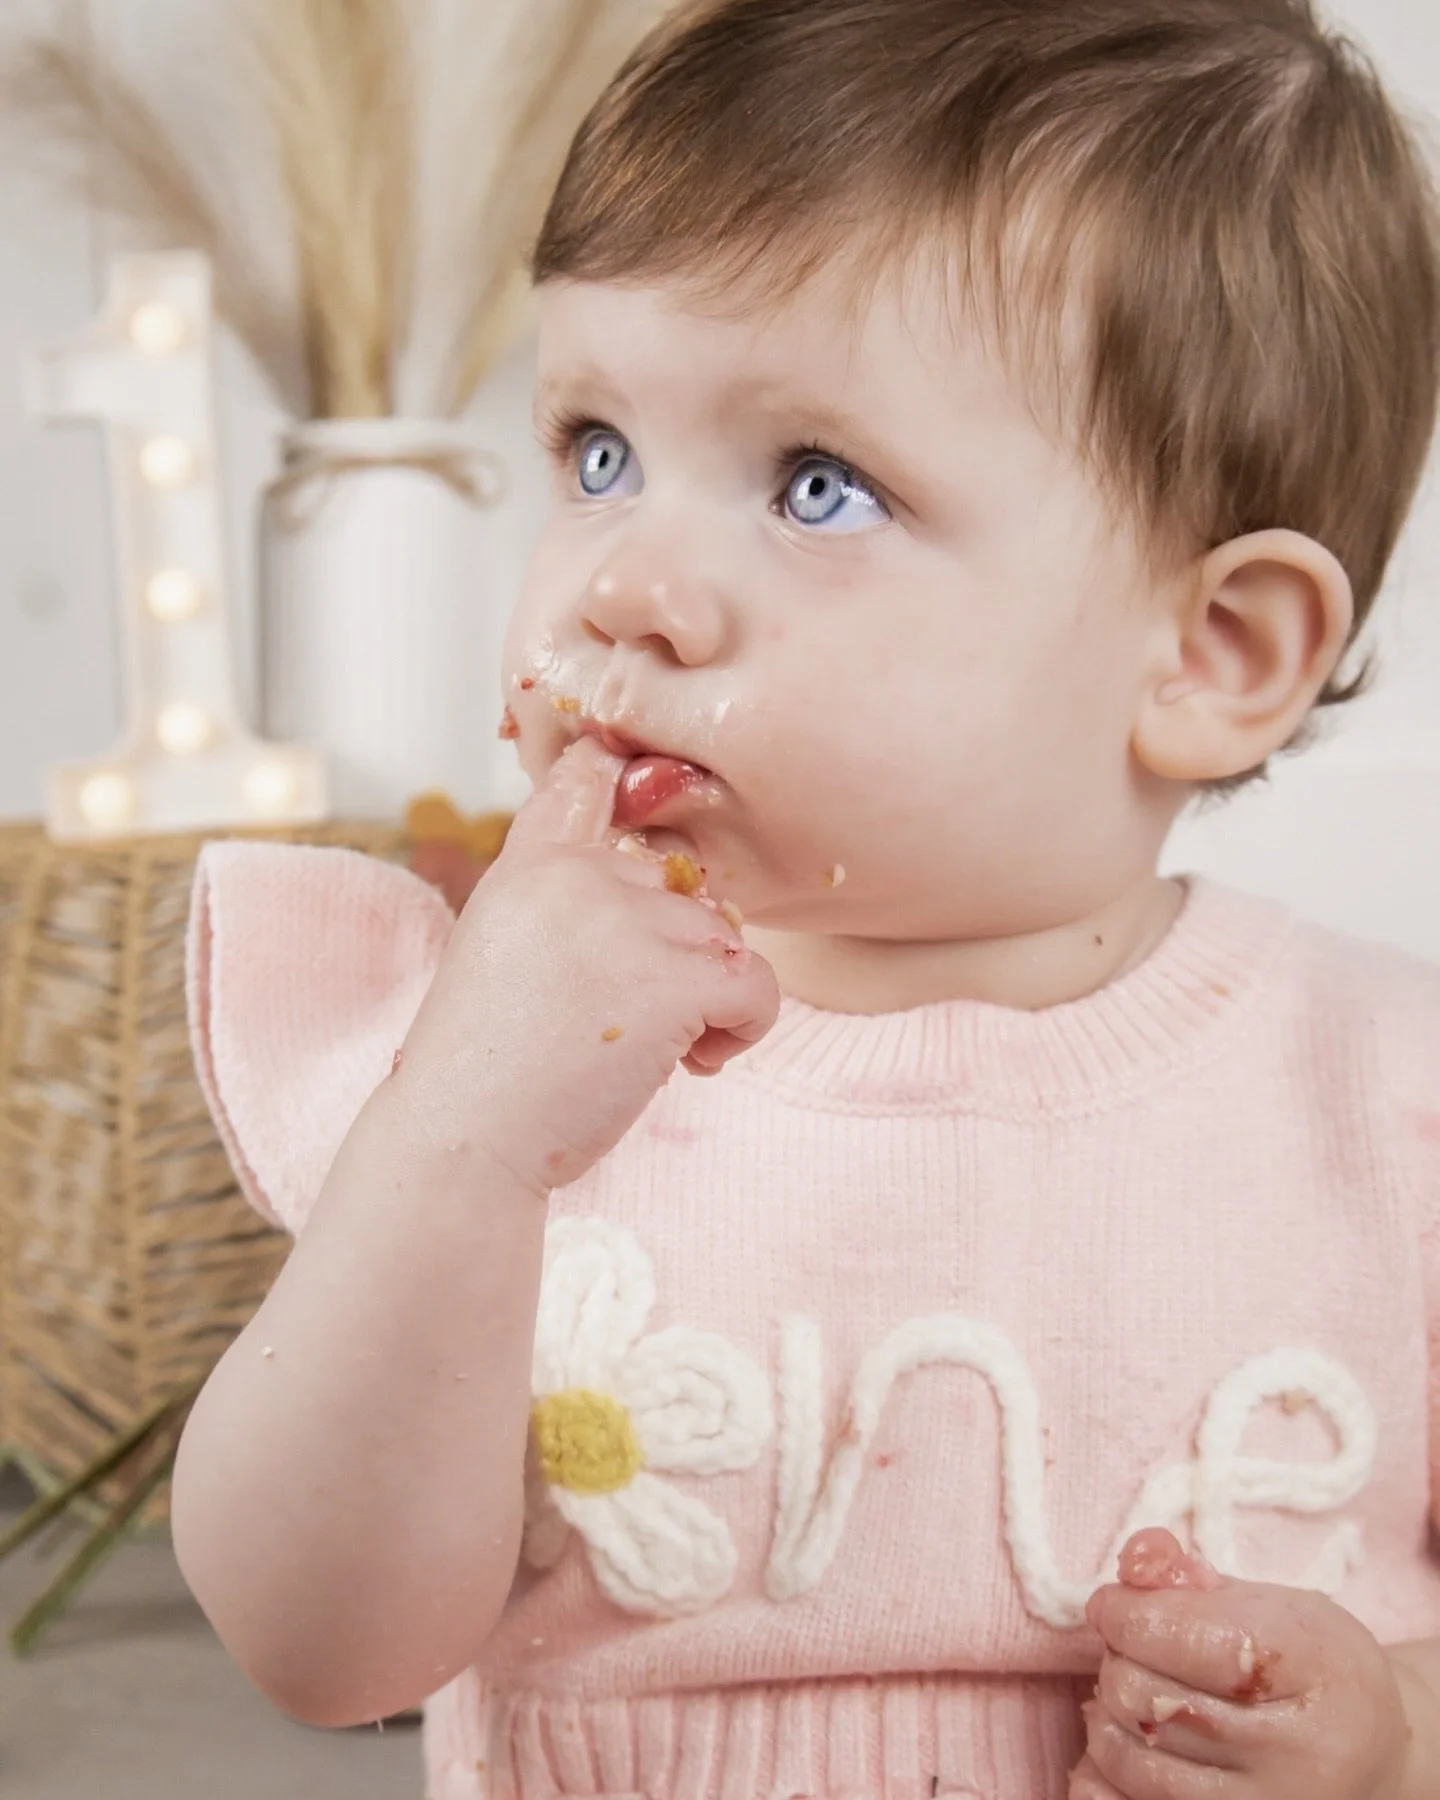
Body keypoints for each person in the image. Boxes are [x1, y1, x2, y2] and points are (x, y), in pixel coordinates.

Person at [170, 1, 1440, 1795]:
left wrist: (1394, 1731)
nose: (627, 592)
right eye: (598, 452)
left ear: (1214, 651)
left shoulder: (1385, 1112)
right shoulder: (491, 1062)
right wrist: (458, 1145)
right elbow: (315, 1643)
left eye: (816, 485)